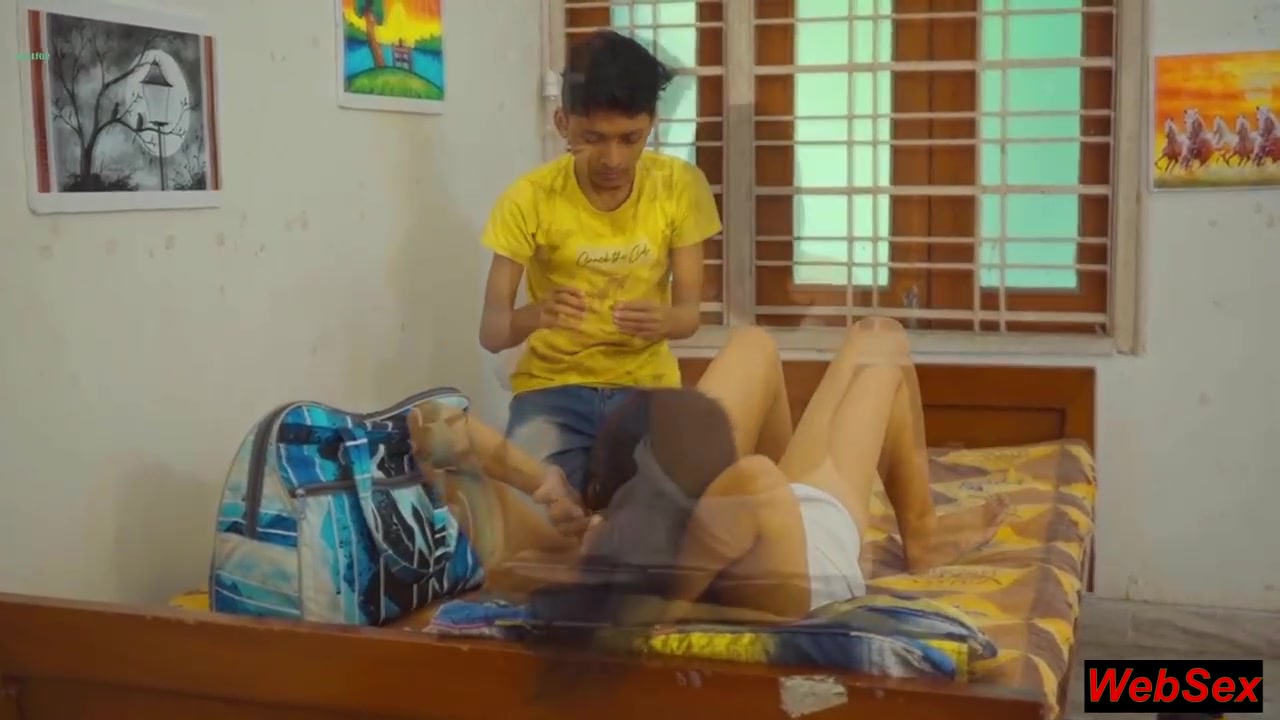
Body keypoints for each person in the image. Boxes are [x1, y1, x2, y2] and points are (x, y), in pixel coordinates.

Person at [410, 318, 1008, 626]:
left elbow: (439, 422)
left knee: (754, 344)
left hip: (729, 524)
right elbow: (754, 482)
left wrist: (540, 480)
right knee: (881, 348)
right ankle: (922, 535)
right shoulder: (742, 497)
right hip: (811, 528)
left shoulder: (568, 555)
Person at [476, 29, 722, 500]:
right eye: (593, 139)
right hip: (551, 390)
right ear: (562, 122)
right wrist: (536, 315)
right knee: (533, 518)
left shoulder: (679, 187)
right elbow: (492, 333)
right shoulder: (528, 199)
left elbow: (688, 317)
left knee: (665, 517)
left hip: (646, 389)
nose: (614, 159)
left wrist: (665, 319)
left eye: (631, 139)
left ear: (652, 122)